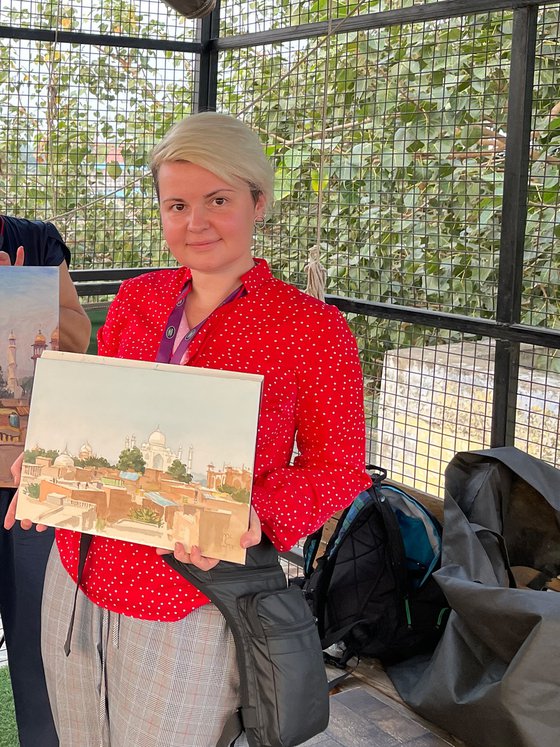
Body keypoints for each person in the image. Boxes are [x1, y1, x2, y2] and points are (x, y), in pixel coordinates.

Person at [7, 113, 371, 746]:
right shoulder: (137, 299)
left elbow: (338, 468)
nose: (195, 222)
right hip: (80, 573)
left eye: (218, 201)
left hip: (191, 595)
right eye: (177, 204)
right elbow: (103, 415)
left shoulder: (311, 329)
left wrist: (253, 514)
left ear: (259, 203)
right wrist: (47, 463)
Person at [0, 215, 91, 747]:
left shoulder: (32, 241)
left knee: (38, 643)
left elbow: (78, 336)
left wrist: (18, 297)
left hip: (28, 481)